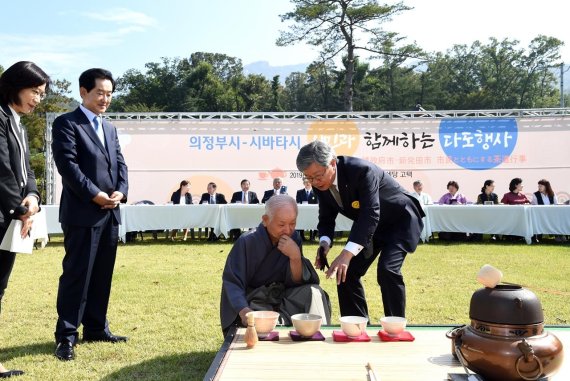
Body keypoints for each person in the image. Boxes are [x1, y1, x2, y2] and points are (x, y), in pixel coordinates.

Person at [296, 140, 424, 319]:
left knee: (388, 270)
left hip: (400, 221)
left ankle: (395, 327)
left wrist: (346, 255)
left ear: (332, 163)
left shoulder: (362, 171)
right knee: (345, 272)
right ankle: (355, 325)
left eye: (318, 176)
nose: (315, 182)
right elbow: (326, 216)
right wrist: (324, 243)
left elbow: (370, 213)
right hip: (371, 226)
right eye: (308, 178)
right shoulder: (320, 185)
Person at [51, 68, 129, 361]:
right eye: (100, 93)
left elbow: (120, 164)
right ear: (83, 92)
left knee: (101, 275)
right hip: (82, 213)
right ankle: (66, 336)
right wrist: (94, 194)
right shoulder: (66, 123)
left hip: (110, 214)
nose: (105, 99)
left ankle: (96, 327)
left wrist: (121, 190)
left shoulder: (109, 128)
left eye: (109, 94)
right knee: (77, 276)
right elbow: (68, 166)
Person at [0, 61, 50, 378]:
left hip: (12, 220)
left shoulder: (17, 122)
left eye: (42, 94)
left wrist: (32, 198)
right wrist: (20, 210)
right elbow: (1, 172)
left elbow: (26, 172)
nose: (37, 99)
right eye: (34, 91)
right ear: (15, 85)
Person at [220, 195, 330, 336]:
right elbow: (233, 282)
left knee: (313, 291)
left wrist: (295, 257)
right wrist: (244, 312)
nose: (288, 230)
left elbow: (296, 282)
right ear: (265, 220)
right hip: (254, 301)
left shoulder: (294, 238)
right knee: (260, 321)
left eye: (293, 223)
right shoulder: (247, 241)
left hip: (283, 297)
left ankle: (318, 336)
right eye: (281, 224)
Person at [531, 179, 563, 243]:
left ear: (546, 186)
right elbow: (535, 206)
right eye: (538, 186)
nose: (539, 187)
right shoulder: (535, 194)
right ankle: (538, 237)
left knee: (558, 219)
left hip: (551, 215)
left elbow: (556, 205)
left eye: (541, 186)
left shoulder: (552, 194)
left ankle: (559, 236)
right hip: (540, 215)